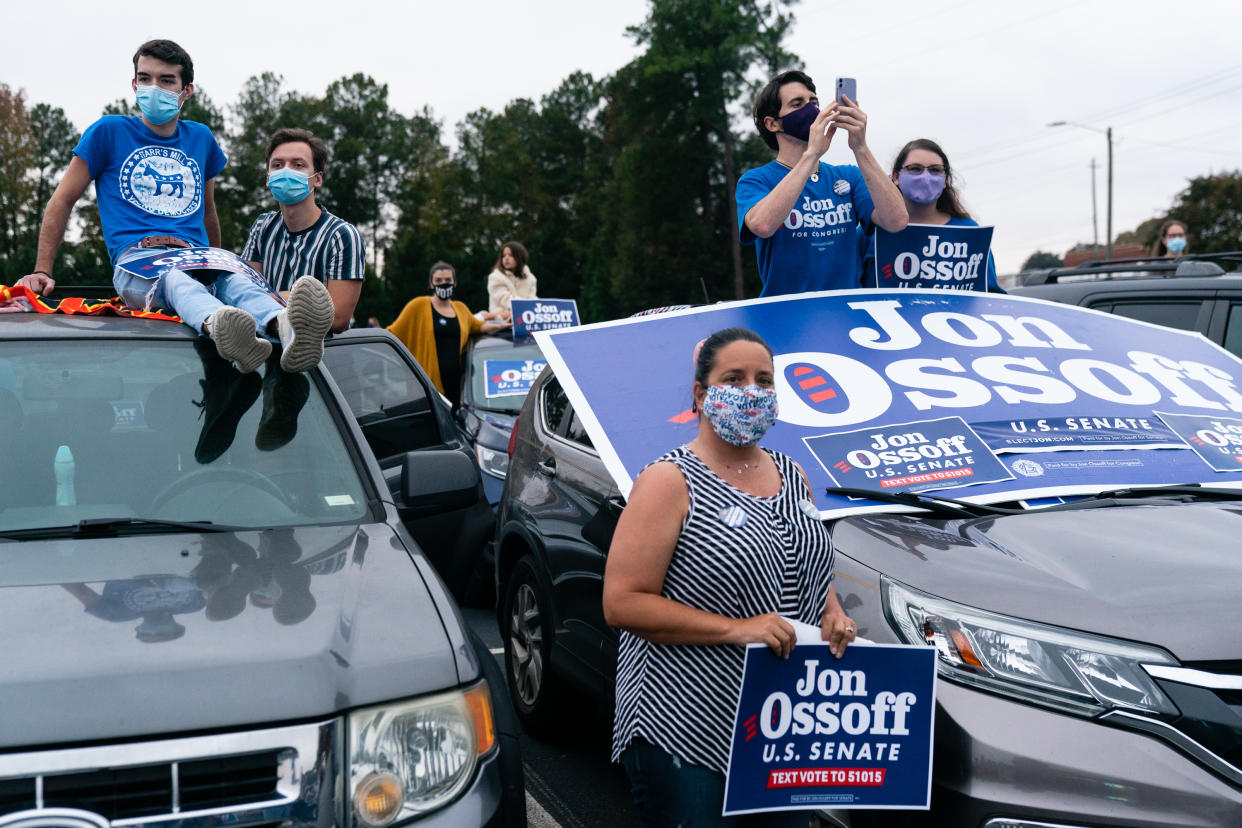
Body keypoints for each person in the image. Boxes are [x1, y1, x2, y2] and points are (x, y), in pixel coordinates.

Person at [602, 327, 857, 827]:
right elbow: (622, 602)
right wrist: (737, 629)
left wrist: (832, 612)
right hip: (688, 732)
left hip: (780, 733)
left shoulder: (793, 473)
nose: (752, 392)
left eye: (765, 381)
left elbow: (803, 558)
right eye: (734, 379)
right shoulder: (667, 482)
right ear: (701, 395)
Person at [15, 40, 333, 376]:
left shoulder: (201, 138)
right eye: (145, 78)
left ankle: (287, 327)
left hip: (197, 255)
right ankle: (220, 325)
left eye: (166, 80)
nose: (154, 87)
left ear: (186, 91)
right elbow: (61, 200)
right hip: (139, 261)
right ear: (134, 84)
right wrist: (43, 270)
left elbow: (208, 212)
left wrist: (220, 265)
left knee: (237, 283)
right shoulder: (108, 132)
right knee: (176, 282)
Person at [736, 70, 907, 297]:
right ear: (772, 123)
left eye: (813, 101)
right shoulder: (757, 179)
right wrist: (811, 155)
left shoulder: (849, 176)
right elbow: (762, 225)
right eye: (798, 104)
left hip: (846, 312)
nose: (811, 109)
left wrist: (861, 148)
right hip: (785, 313)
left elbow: (897, 221)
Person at [242, 127, 365, 333]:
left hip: (324, 359)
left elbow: (338, 318)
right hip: (268, 354)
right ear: (268, 177)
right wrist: (300, 302)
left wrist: (273, 298)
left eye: (298, 165)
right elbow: (244, 294)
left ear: (317, 178)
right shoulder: (262, 227)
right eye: (278, 165)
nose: (286, 171)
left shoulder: (342, 236)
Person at [865, 138, 1003, 291]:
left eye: (935, 170)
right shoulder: (870, 232)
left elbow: (989, 293)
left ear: (945, 180)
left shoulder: (968, 232)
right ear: (896, 176)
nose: (925, 177)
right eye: (915, 168)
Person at [387, 261, 510, 406]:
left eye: (447, 280)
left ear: (454, 282)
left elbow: (479, 326)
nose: (443, 284)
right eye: (438, 280)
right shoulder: (418, 306)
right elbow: (392, 333)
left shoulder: (461, 308)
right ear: (431, 284)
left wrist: (504, 325)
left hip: (456, 387)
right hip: (427, 386)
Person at [485, 241, 537, 320]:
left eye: (511, 255)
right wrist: (527, 308)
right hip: (501, 322)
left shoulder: (531, 278)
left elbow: (532, 299)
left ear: (520, 257)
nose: (506, 258)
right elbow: (505, 299)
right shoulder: (495, 277)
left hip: (525, 320)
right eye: (504, 255)